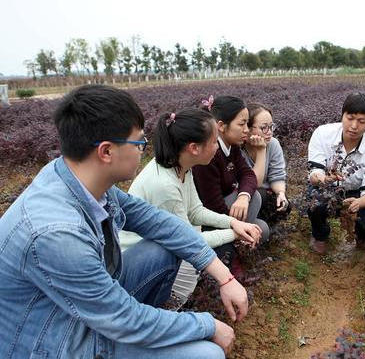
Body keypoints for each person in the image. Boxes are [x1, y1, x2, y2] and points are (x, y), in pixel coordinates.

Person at [0, 85, 246, 359]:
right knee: (206, 354)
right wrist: (206, 324)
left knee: (163, 248)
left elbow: (158, 222)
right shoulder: (56, 234)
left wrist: (224, 278)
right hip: (57, 340)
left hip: (84, 309)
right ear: (106, 152)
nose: (144, 150)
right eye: (139, 143)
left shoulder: (81, 180)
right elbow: (122, 317)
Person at [119, 107, 262, 308]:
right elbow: (186, 240)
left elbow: (195, 211)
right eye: (214, 142)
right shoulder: (165, 185)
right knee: (168, 301)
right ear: (194, 148)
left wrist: (233, 222)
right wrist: (235, 233)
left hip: (160, 248)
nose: (216, 147)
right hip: (142, 260)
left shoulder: (181, 166)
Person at [307, 92, 365, 254]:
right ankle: (320, 235)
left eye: (361, 121)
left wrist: (360, 202)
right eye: (350, 118)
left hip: (356, 193)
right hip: (325, 188)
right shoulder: (322, 134)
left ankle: (361, 234)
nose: (353, 126)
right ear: (343, 114)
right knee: (315, 202)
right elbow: (314, 173)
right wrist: (324, 179)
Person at [193, 96, 270, 273]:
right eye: (242, 124)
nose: (246, 130)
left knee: (262, 227)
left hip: (227, 207)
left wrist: (243, 197)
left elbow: (248, 175)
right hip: (209, 218)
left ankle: (240, 244)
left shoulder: (232, 145)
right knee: (256, 199)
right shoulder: (209, 154)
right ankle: (236, 247)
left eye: (248, 124)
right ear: (221, 126)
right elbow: (212, 205)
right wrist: (239, 227)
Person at [241, 102, 290, 222]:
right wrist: (261, 150)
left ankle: (267, 233)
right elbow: (254, 183)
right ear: (248, 128)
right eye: (264, 128)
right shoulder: (238, 149)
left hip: (267, 194)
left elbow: (277, 175)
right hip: (244, 196)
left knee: (282, 203)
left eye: (271, 126)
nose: (269, 132)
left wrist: (280, 193)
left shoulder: (273, 143)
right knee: (260, 195)